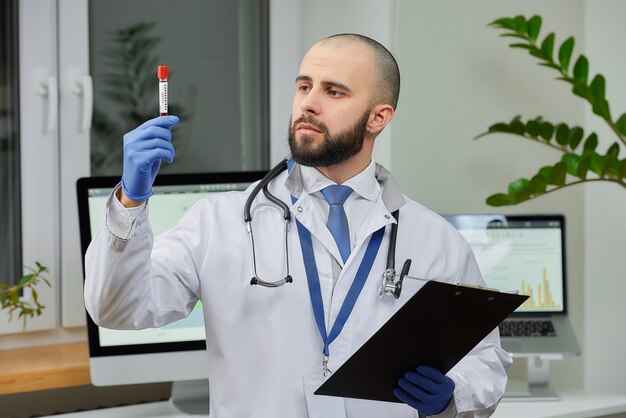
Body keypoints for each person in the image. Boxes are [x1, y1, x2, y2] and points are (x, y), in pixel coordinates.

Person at [84, 33, 511, 417]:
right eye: (304, 86)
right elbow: (117, 308)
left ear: (378, 118)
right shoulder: (219, 223)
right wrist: (130, 200)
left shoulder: (435, 239)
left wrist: (454, 394)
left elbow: (486, 361)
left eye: (334, 91)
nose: (308, 102)